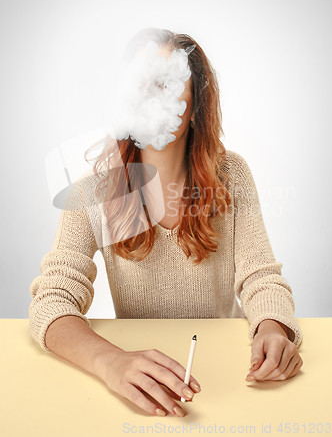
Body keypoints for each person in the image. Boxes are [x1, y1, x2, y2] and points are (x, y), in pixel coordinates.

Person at [29, 28, 303, 419]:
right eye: (141, 83)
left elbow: (261, 278)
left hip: (229, 377)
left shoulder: (232, 177)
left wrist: (273, 329)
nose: (150, 97)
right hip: (137, 386)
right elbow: (52, 300)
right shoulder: (93, 194)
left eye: (167, 83)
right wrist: (110, 362)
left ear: (195, 108)